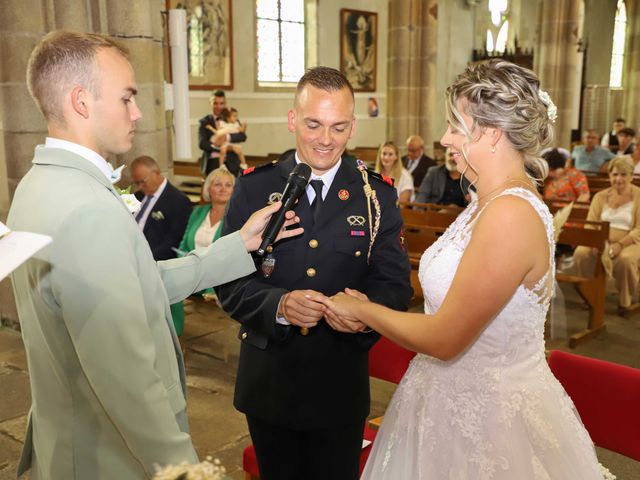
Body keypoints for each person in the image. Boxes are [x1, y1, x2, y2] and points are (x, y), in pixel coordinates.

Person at [7, 30, 302, 480]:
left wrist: (236, 244)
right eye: (127, 97)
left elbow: (139, 284)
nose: (138, 112)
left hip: (67, 440)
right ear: (81, 101)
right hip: (107, 456)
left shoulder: (35, 186)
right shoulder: (88, 209)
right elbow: (127, 380)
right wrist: (185, 470)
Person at [320, 59, 609, 479]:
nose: (445, 138)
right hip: (441, 401)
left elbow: (447, 338)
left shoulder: (510, 213)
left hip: (492, 420)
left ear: (491, 133)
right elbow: (451, 298)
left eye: (456, 126)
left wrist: (364, 311)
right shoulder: (484, 202)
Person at [216, 66, 412, 480]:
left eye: (339, 127)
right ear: (292, 120)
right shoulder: (253, 188)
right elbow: (227, 281)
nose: (326, 139)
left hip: (338, 383)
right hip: (269, 382)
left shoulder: (375, 195)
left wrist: (366, 312)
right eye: (313, 124)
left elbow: (394, 285)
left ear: (353, 126)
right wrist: (280, 305)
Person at [572, 156, 640, 316]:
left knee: (625, 260)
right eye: (615, 174)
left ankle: (625, 300)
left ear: (631, 175)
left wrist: (620, 245)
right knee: (581, 253)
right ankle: (587, 295)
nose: (619, 179)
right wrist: (597, 242)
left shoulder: (639, 196)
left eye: (623, 174)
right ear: (609, 176)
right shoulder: (600, 196)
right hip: (601, 240)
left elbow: (639, 228)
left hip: (632, 241)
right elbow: (591, 223)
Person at [131, 155, 192, 261]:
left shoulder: (178, 201)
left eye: (142, 182)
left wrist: (145, 259)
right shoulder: (138, 196)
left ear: (156, 173)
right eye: (137, 183)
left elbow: (173, 242)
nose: (140, 187)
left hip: (152, 259)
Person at [198, 90, 247, 175]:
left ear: (225, 104)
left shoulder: (231, 118)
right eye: (215, 103)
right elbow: (202, 144)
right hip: (213, 163)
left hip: (232, 162)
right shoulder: (205, 121)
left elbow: (242, 136)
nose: (219, 106)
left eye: (221, 103)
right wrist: (222, 148)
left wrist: (227, 137)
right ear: (210, 103)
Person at [216, 107, 249, 174]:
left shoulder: (236, 124)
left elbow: (242, 134)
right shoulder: (223, 123)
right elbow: (218, 131)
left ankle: (244, 164)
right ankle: (221, 165)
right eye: (234, 116)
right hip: (225, 143)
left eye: (236, 116)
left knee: (240, 152)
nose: (236, 118)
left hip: (233, 143)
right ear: (228, 117)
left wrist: (244, 127)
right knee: (223, 151)